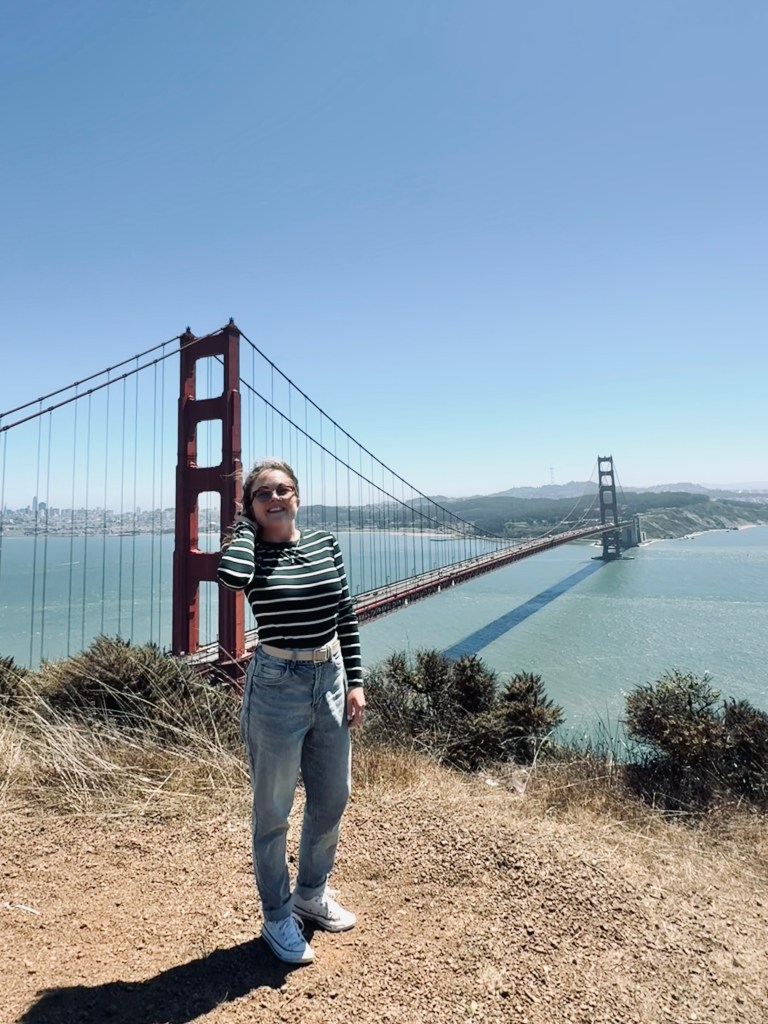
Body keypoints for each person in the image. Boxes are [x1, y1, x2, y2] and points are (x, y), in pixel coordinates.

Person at [217, 458, 365, 965]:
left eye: (284, 490)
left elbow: (344, 611)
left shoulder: (326, 544)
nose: (276, 499)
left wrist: (357, 682)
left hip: (330, 676)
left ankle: (310, 893)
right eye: (263, 495)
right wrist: (244, 528)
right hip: (276, 685)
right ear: (251, 508)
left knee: (332, 796)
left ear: (298, 496)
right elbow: (229, 578)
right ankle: (277, 913)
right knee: (273, 810)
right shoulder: (249, 554)